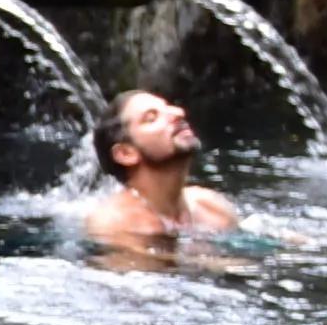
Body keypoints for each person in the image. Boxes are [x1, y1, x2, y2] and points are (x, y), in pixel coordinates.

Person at [73, 90, 241, 256]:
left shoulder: (213, 208)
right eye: (152, 118)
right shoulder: (112, 225)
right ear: (126, 153)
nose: (178, 113)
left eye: (169, 107)